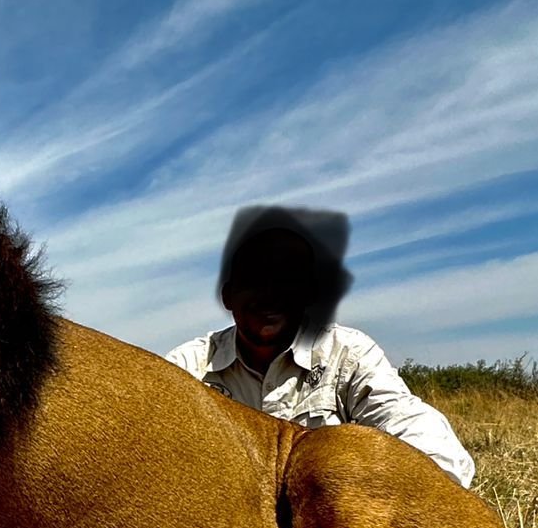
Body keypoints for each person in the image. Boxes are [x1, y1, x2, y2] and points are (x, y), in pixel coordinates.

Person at [166, 205, 475, 487]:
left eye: (286, 282)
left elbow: (412, 426)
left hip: (319, 525)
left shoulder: (347, 352)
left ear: (309, 294)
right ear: (228, 296)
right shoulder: (189, 366)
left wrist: (430, 492)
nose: (269, 295)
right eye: (254, 282)